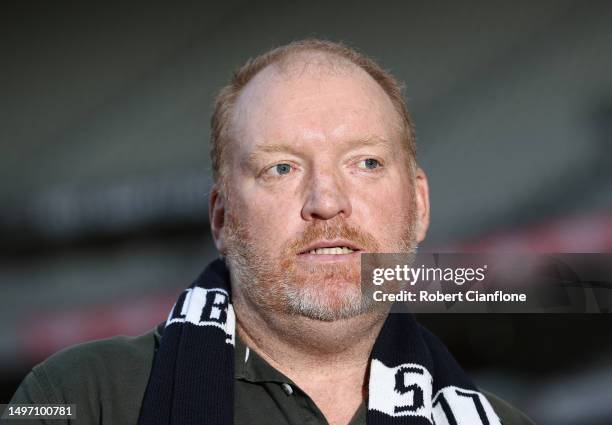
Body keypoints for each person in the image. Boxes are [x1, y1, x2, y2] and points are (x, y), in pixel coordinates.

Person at [8, 39, 535, 425]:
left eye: (367, 163)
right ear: (221, 218)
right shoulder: (77, 396)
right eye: (281, 168)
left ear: (418, 205)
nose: (327, 202)